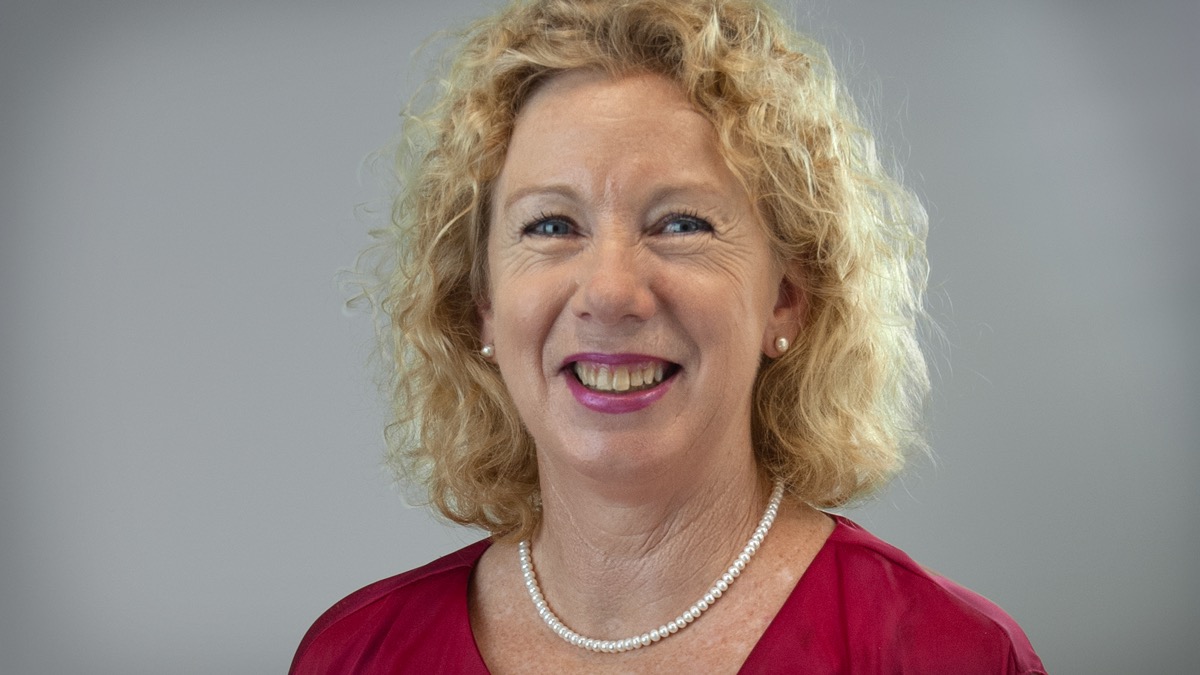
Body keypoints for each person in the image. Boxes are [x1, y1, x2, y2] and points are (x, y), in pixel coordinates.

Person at [291, 0, 1045, 672]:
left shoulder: (950, 655)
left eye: (681, 223)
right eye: (551, 225)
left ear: (787, 298)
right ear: (483, 305)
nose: (610, 292)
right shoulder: (354, 656)